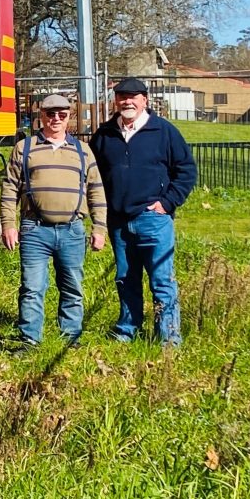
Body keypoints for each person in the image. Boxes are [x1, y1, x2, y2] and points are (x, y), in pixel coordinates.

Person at [90, 78, 197, 345]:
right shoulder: (104, 135)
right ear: (115, 101)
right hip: (118, 221)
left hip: (153, 219)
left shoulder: (163, 131)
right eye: (122, 96)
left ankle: (169, 339)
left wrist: (168, 202)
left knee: (162, 280)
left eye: (133, 96)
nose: (127, 101)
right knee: (126, 279)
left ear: (145, 100)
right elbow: (92, 176)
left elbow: (186, 170)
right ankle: (128, 329)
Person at [1, 94, 107, 346]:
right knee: (32, 288)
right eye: (51, 114)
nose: (56, 119)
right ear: (41, 117)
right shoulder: (24, 148)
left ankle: (71, 336)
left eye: (62, 114)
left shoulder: (82, 151)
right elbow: (9, 189)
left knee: (72, 287)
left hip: (72, 230)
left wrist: (99, 227)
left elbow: (96, 189)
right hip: (34, 229)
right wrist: (8, 225)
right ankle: (30, 339)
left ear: (69, 117)